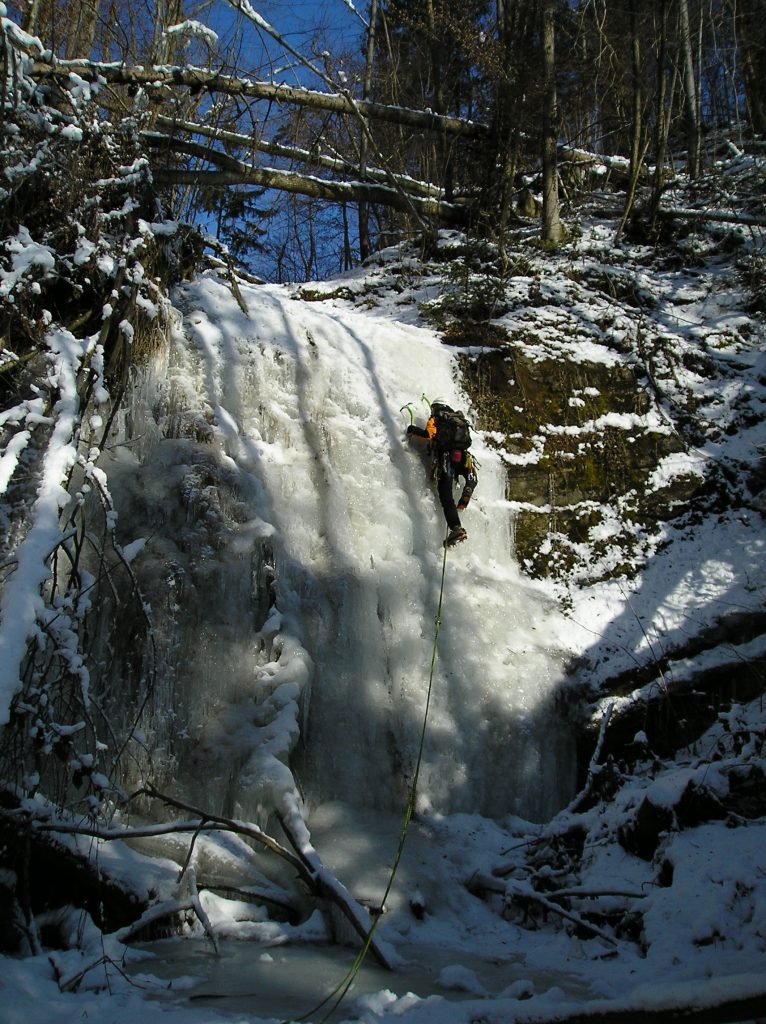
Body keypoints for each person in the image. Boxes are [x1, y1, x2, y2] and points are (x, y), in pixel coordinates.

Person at [406, 402, 478, 546]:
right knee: (469, 475)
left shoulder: (437, 418)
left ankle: (456, 528)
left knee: (446, 497)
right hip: (463, 456)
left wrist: (411, 429)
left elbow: (429, 435)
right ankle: (468, 489)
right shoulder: (459, 420)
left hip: (446, 459)